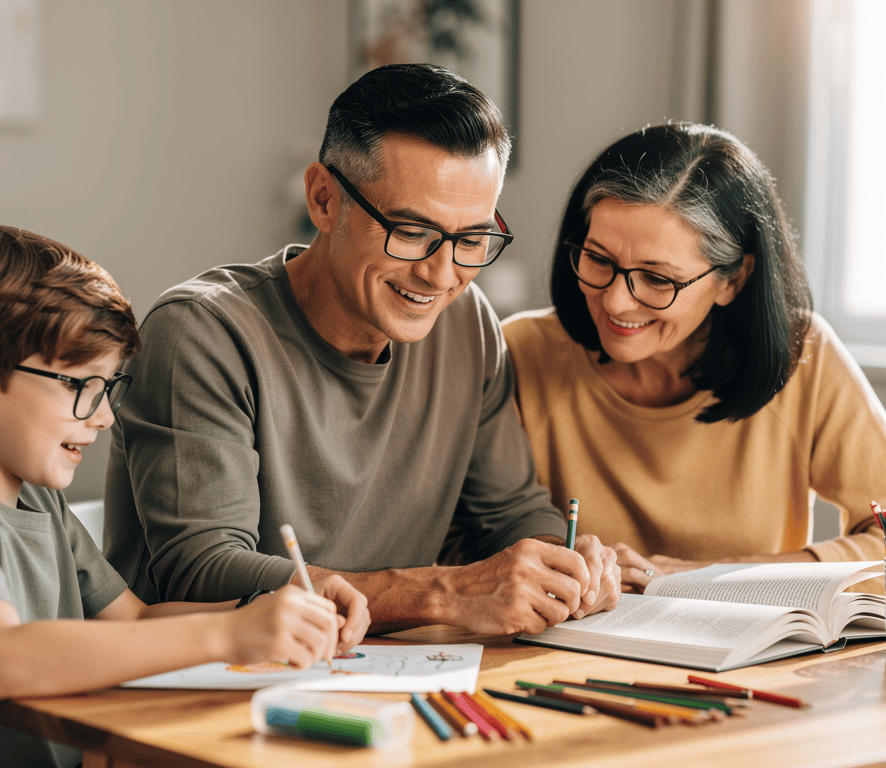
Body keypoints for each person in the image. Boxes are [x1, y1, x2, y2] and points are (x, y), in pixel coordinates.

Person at [105, 63, 621, 635]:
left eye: (472, 239)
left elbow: (507, 513)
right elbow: (201, 572)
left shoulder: (466, 324)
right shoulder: (201, 335)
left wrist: (559, 563)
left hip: (390, 676)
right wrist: (439, 593)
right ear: (324, 200)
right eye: (410, 231)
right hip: (203, 691)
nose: (441, 274)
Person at [0, 226, 369, 768]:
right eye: (80, 386)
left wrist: (265, 606)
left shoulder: (39, 504)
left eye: (108, 389)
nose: (104, 416)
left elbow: (133, 622)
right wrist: (230, 634)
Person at [502, 122, 886, 593]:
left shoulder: (805, 356)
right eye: (599, 259)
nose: (617, 302)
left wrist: (713, 577)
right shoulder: (519, 351)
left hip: (746, 656)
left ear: (733, 280)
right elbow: (472, 542)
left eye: (658, 279)